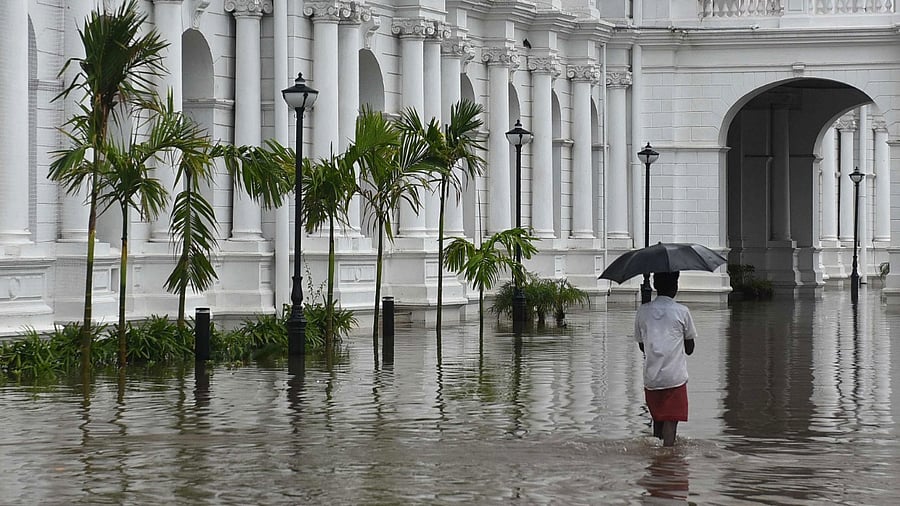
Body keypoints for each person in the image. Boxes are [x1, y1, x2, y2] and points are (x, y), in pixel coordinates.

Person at [634, 271, 697, 447]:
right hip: (674, 378)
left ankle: (657, 466)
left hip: (652, 378)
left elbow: (641, 346)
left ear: (654, 286)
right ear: (675, 287)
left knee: (658, 420)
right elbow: (690, 349)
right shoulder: (682, 312)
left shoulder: (643, 311)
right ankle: (667, 461)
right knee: (671, 420)